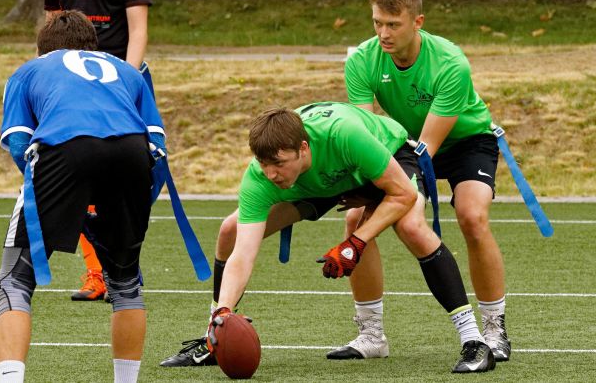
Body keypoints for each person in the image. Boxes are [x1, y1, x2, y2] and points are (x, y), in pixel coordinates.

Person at [161, 103, 495, 373]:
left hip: (385, 157)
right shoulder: (261, 176)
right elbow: (243, 255)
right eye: (263, 165)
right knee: (230, 232)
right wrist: (224, 312)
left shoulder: (344, 135)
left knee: (409, 227)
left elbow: (403, 195)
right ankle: (213, 337)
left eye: (277, 164)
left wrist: (356, 243)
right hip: (321, 182)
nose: (270, 174)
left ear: (303, 149)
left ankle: (474, 340)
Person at [337, 0, 511, 363]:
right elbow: (369, 137)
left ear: (418, 22)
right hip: (407, 143)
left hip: (465, 141)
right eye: (377, 22)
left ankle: (494, 328)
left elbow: (428, 150)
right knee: (354, 218)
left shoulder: (450, 62)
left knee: (471, 215)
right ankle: (371, 335)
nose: (383, 33)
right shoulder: (362, 60)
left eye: (393, 24)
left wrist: (398, 197)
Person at [0, 10, 164, 383]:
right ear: (94, 45)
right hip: (131, 153)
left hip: (64, 148)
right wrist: (133, 207)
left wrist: (56, 196)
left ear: (42, 48)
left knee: (14, 280)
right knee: (125, 283)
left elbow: (20, 141)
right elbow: (157, 146)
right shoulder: (127, 71)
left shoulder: (30, 70)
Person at [44, 0, 155, 301]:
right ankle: (98, 272)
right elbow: (50, 29)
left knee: (128, 179)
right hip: (73, 92)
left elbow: (138, 28)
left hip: (116, 86)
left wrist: (128, 80)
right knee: (74, 176)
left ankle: (124, 267)